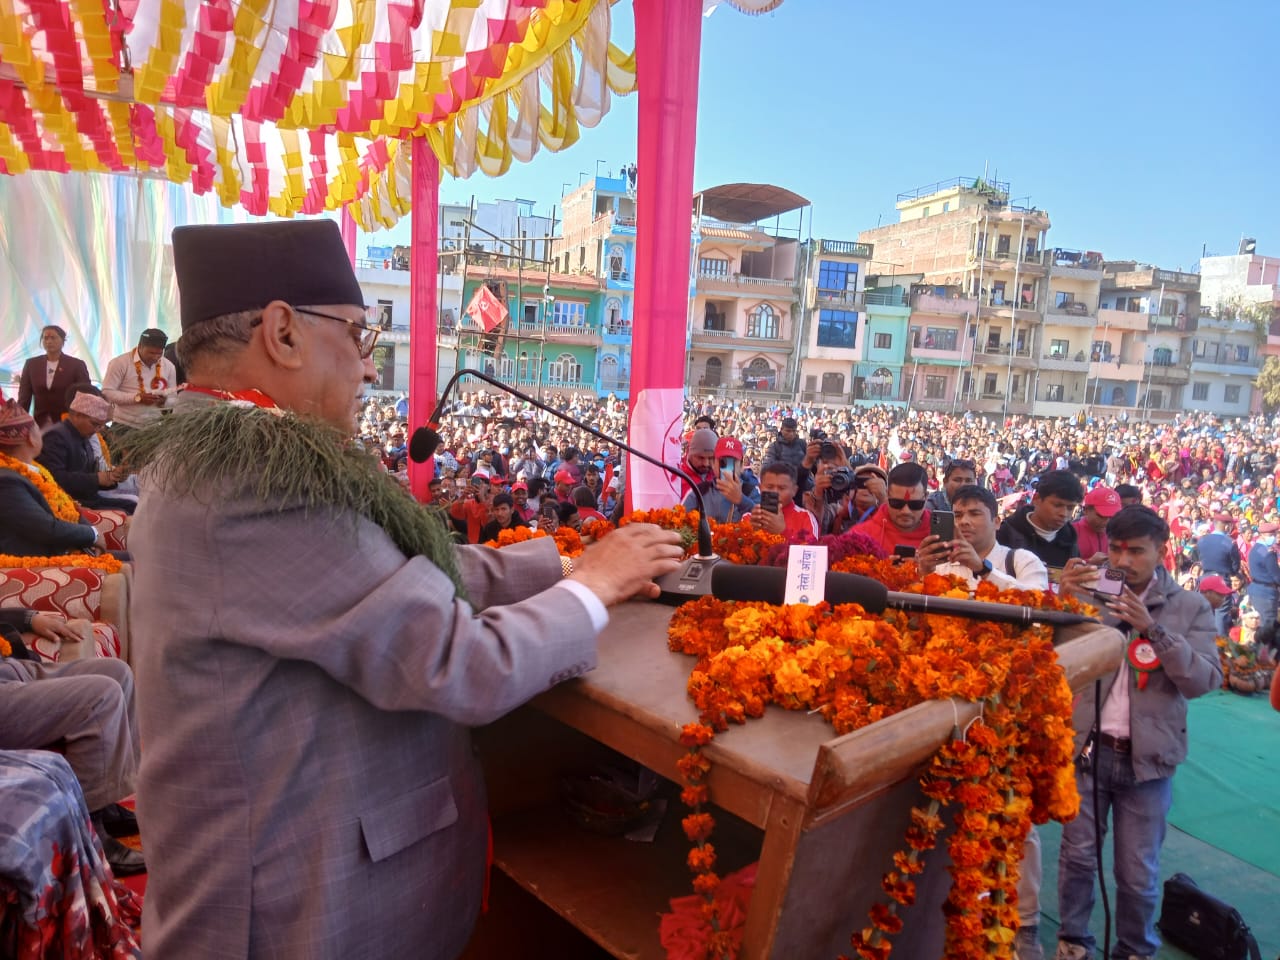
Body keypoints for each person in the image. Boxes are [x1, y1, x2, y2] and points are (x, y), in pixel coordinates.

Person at [124, 219, 684, 960]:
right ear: (283, 333)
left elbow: (385, 569)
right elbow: (461, 665)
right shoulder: (253, 479)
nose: (365, 368)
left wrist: (568, 564)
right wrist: (594, 587)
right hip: (296, 909)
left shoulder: (222, 451)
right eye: (359, 338)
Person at [1054, 507, 1221, 960]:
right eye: (1116, 549)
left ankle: (1134, 949)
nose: (1123, 561)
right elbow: (1053, 657)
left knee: (1137, 871)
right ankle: (1072, 941)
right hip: (1087, 751)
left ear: (1162, 551)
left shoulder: (1189, 606)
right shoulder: (1097, 591)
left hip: (1147, 761)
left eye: (1136, 551)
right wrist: (1062, 603)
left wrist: (1155, 631)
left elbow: (1204, 681)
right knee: (1077, 857)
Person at [0, 607, 145, 875]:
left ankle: (106, 801)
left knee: (118, 673)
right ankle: (89, 831)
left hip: (12, 665)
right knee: (100, 697)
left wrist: (30, 619)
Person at [0, 400, 105, 557]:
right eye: (38, 428)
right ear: (30, 438)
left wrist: (90, 536)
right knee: (129, 564)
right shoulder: (7, 481)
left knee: (129, 561)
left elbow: (69, 507)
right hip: (38, 561)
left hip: (65, 548)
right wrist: (92, 534)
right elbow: (44, 528)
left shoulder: (36, 470)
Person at [917, 485, 1049, 591]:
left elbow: (1039, 606)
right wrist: (923, 575)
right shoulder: (939, 566)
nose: (964, 521)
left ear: (997, 522)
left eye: (974, 514)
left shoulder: (1023, 561)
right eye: (957, 515)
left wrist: (984, 569)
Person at [35, 389, 134, 513]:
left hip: (89, 499)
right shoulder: (56, 437)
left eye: (100, 426)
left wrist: (112, 477)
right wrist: (97, 479)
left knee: (134, 506)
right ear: (77, 415)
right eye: (95, 424)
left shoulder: (82, 435)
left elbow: (88, 474)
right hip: (69, 504)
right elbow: (54, 478)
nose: (97, 430)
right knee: (124, 513)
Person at [996, 469, 1084, 580]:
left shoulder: (1070, 540)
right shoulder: (1006, 533)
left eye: (1070, 508)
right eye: (1057, 505)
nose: (1064, 513)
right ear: (1037, 499)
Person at [848, 461, 934, 556]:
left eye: (915, 504)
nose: (906, 511)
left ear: (926, 497)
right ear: (887, 495)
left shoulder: (944, 536)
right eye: (897, 503)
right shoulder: (859, 536)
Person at [17, 324, 92, 428]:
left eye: (53, 338)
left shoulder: (76, 365)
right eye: (45, 338)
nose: (49, 341)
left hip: (68, 422)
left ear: (62, 340)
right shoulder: (31, 364)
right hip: (40, 422)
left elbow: (86, 395)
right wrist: (19, 422)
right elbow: (24, 397)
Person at [101, 328, 178, 428]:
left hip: (155, 427)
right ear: (140, 346)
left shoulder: (169, 366)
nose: (155, 357)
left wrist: (165, 401)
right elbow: (107, 393)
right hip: (124, 425)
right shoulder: (120, 363)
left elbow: (174, 398)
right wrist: (137, 398)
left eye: (159, 354)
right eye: (151, 353)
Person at [682, 435, 750, 524]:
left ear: (741, 466)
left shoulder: (752, 491)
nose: (727, 468)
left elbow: (765, 524)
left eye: (732, 462)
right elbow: (680, 522)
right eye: (723, 462)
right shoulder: (698, 491)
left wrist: (741, 500)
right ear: (714, 463)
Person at [748, 461, 818, 540]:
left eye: (782, 488)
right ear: (760, 488)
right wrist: (751, 531)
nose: (775, 492)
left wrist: (783, 532)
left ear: (794, 491)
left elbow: (811, 550)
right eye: (769, 487)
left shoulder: (806, 518)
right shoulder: (749, 518)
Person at [1073, 486, 1122, 563]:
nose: (1106, 521)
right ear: (1086, 510)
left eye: (1111, 516)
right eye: (1101, 516)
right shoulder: (1072, 532)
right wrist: (1088, 562)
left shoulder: (1116, 534)